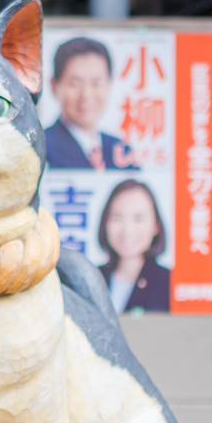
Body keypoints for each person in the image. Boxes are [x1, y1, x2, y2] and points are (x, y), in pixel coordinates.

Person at [44, 37, 137, 170]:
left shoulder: (120, 151)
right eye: (75, 84)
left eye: (96, 83)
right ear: (54, 86)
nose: (86, 95)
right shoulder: (41, 149)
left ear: (109, 85)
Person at [96, 179, 170, 313]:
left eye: (139, 219)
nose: (127, 230)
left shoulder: (169, 284)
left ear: (156, 226)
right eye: (117, 218)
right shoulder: (92, 278)